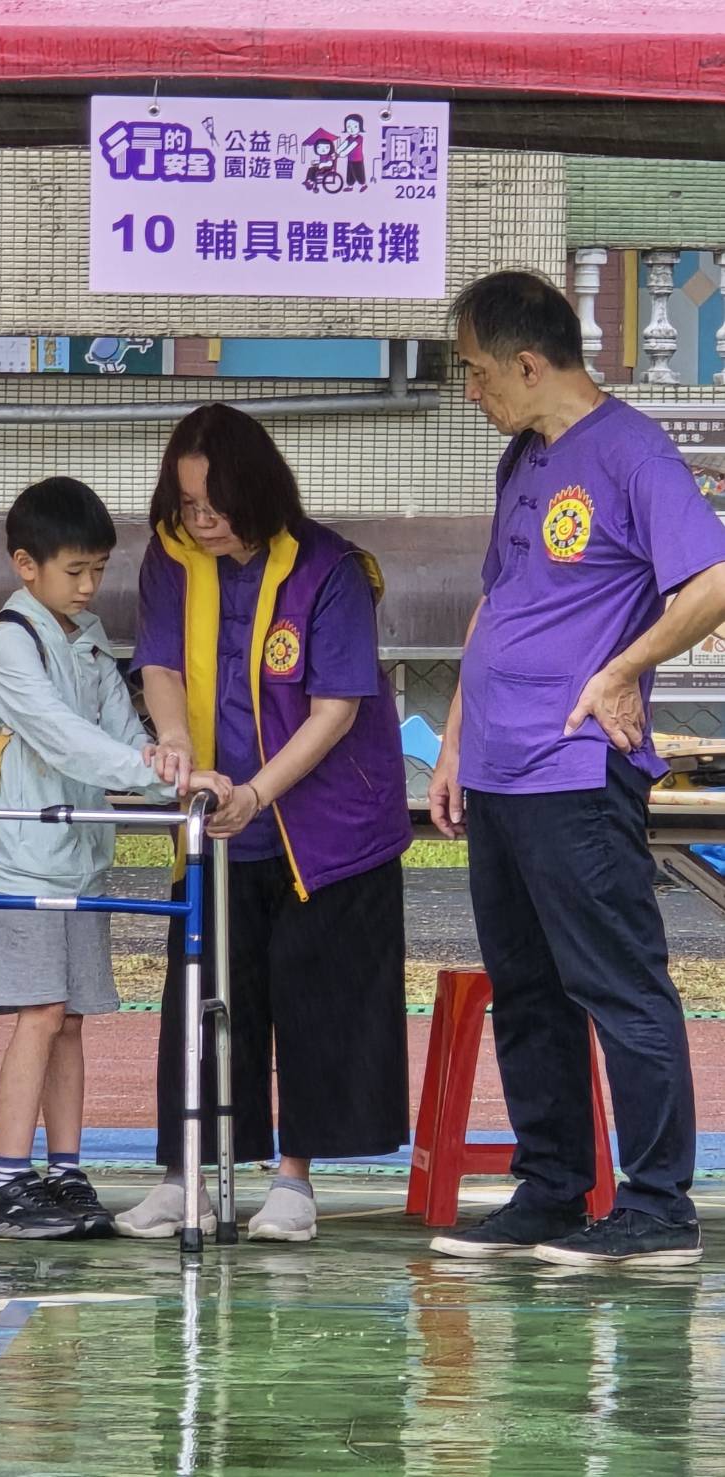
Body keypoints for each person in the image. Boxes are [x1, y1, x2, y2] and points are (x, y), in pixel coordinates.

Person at [428, 271, 725, 1268]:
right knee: (527, 987)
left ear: (525, 359)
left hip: (574, 765)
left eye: (474, 371)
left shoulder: (632, 451)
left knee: (616, 984)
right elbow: (498, 601)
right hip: (501, 767)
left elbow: (712, 578)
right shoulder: (520, 458)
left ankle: (654, 1207)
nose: (470, 392)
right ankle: (551, 1189)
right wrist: (457, 738)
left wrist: (623, 670)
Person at [115, 405, 412, 1243]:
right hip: (217, 819)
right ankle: (188, 1175)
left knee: (312, 997)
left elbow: (335, 707)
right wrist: (176, 745)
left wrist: (259, 791)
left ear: (259, 493)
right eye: (186, 505)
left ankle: (294, 1181)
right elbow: (160, 664)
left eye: (215, 506)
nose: (201, 521)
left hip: (322, 823)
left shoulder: (329, 569)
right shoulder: (171, 556)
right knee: (205, 993)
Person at [0, 477, 227, 1240]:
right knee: (40, 1014)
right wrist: (158, 772)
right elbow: (62, 737)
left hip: (79, 858)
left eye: (97, 571)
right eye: (74, 571)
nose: (88, 585)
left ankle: (66, 1170)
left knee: (70, 1019)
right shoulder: (11, 642)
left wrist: (173, 766)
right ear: (25, 565)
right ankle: (4, 1181)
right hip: (22, 862)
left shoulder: (86, 636)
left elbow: (119, 723)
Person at [337, 114, 367, 192]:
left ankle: (363, 185)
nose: (351, 129)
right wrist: (337, 151)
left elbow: (352, 147)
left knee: (358, 173)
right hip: (350, 159)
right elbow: (344, 145)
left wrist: (343, 153)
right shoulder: (349, 138)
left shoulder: (359, 138)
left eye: (355, 126)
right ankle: (350, 186)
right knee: (350, 173)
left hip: (357, 159)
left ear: (360, 126)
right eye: (349, 127)